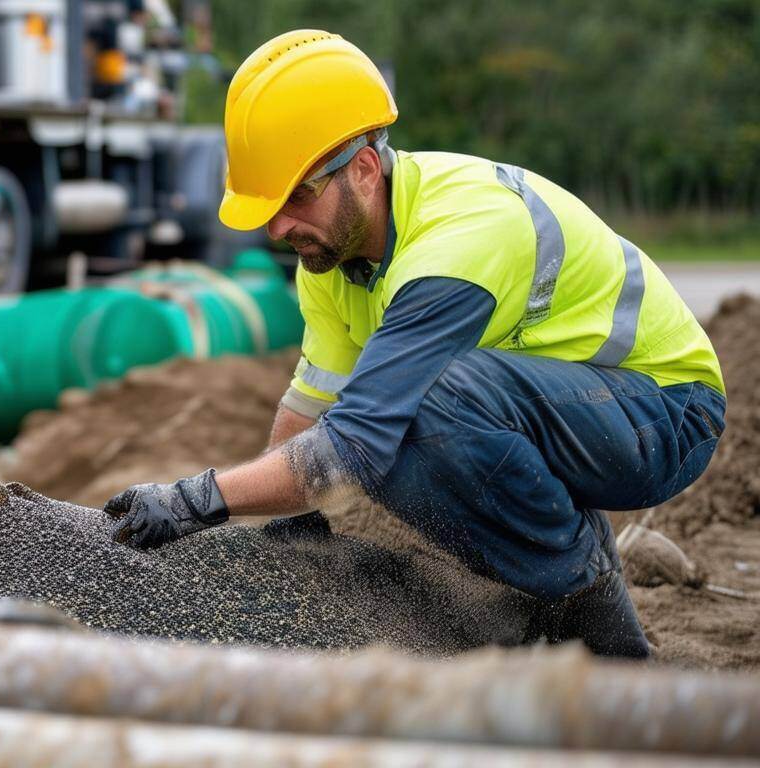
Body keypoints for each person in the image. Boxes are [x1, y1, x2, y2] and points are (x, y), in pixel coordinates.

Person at [103, 30, 726, 658]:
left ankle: (600, 626)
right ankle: (541, 584)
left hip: (665, 410)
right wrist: (290, 530)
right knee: (395, 427)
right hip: (565, 411)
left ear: (365, 170)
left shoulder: (458, 240)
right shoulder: (331, 256)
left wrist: (196, 500)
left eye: (295, 197)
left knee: (420, 408)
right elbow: (313, 406)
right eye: (268, 206)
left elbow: (351, 444)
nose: (278, 227)